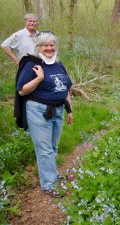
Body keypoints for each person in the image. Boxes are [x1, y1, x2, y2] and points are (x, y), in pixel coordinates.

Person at [17, 31, 73, 197]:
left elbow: (67, 87)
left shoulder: (58, 64)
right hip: (38, 111)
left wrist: (69, 109)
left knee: (53, 146)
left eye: (51, 44)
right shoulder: (31, 64)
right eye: (45, 45)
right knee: (45, 149)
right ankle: (48, 184)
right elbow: (22, 90)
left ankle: (53, 175)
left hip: (59, 109)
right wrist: (39, 78)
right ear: (39, 47)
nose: (49, 48)